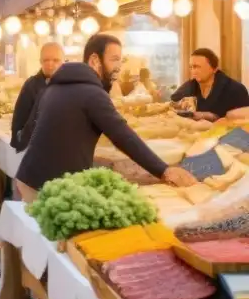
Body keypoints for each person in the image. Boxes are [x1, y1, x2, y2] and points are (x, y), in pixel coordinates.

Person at [16, 34, 197, 201]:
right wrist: (164, 170)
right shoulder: (92, 93)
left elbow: (32, 130)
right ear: (95, 60)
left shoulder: (54, 88)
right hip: (47, 187)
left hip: (30, 179)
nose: (119, 66)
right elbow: (123, 136)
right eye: (114, 59)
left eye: (120, 59)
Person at [10, 43, 63, 151]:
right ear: (40, 61)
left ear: (63, 61)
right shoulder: (31, 85)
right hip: (35, 148)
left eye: (55, 60)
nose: (50, 64)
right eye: (46, 60)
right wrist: (19, 141)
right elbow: (19, 117)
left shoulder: (70, 85)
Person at [171, 48, 249, 121]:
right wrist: (179, 105)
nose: (193, 71)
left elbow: (244, 120)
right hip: (194, 133)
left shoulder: (235, 89)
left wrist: (212, 116)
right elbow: (172, 104)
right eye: (191, 67)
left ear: (214, 69)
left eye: (197, 67)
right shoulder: (190, 85)